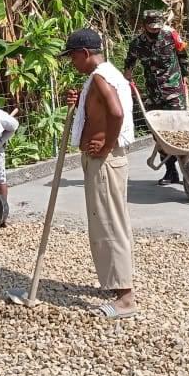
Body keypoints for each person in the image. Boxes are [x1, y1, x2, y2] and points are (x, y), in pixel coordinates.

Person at [62, 28, 137, 319]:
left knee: (109, 225)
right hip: (106, 161)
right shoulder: (107, 74)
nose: (71, 63)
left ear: (83, 53)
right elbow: (102, 111)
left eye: (72, 57)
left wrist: (106, 145)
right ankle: (117, 285)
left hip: (105, 162)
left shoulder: (101, 78)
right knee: (111, 222)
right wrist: (79, 101)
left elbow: (116, 113)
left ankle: (125, 299)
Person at [124, 9, 189, 186]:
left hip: (174, 90)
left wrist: (185, 75)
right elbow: (129, 61)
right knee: (159, 133)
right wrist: (127, 78)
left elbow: (183, 54)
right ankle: (170, 171)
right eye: (151, 28)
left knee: (180, 129)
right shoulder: (137, 43)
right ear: (144, 26)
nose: (155, 31)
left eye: (157, 27)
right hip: (154, 94)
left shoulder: (171, 35)